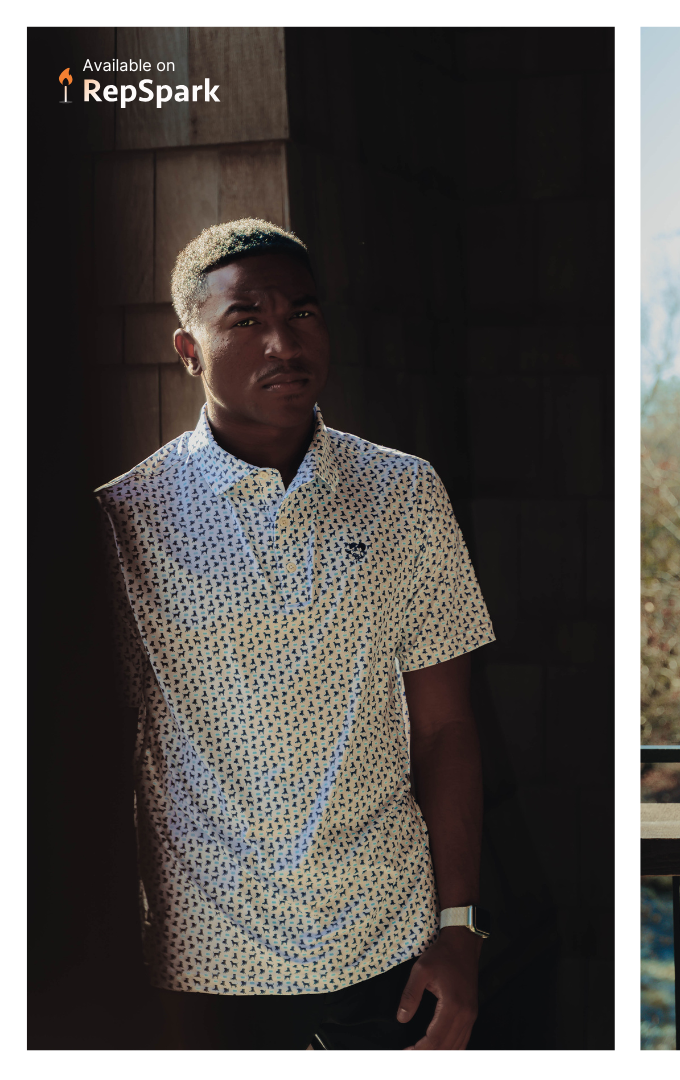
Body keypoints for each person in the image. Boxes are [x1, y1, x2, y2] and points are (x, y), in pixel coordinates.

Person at [96, 219, 495, 1050]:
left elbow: (448, 725)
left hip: (390, 943)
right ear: (188, 348)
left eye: (303, 313)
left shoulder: (404, 492)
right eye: (245, 320)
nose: (283, 341)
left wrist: (458, 927)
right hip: (201, 961)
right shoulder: (126, 518)